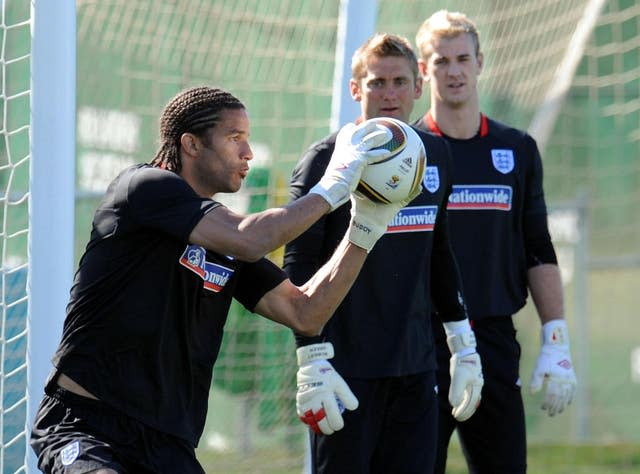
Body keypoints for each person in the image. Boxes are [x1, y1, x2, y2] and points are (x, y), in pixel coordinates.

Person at [29, 86, 402, 474]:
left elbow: (305, 312)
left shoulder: (225, 239)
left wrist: (365, 229)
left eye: (248, 138)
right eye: (234, 137)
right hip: (88, 427)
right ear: (191, 144)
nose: (248, 153)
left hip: (167, 445)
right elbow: (251, 236)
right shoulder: (143, 188)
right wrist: (335, 185)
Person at [283, 34, 483, 474]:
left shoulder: (436, 154)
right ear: (356, 89)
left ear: (418, 87)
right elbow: (298, 266)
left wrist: (462, 344)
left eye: (399, 81)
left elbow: (439, 253)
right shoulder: (323, 161)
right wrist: (310, 356)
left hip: (415, 368)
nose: (388, 94)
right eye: (376, 83)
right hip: (343, 372)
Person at [414, 10, 578, 474]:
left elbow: (538, 246)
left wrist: (556, 338)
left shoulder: (517, 148)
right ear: (424, 70)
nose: (454, 71)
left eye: (462, 58)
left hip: (492, 337)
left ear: (480, 62)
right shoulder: (408, 151)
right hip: (422, 342)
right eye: (441, 61)